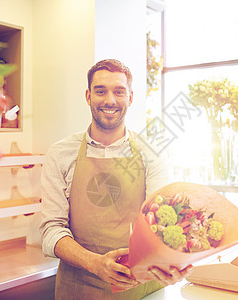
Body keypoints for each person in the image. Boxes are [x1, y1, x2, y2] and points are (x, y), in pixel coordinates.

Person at [39, 59, 193, 299]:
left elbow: (164, 222)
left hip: (140, 289)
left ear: (130, 97)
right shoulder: (60, 154)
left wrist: (174, 260)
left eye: (119, 91)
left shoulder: (152, 153)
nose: (109, 100)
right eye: (101, 91)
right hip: (79, 288)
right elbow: (52, 231)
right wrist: (95, 264)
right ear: (88, 96)